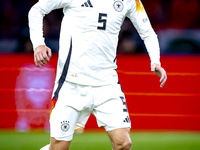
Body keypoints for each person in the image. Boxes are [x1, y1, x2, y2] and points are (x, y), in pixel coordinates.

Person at [28, 0, 167, 149]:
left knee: (123, 143)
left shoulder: (130, 1)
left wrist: (155, 60)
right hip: (71, 84)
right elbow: (36, 10)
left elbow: (147, 32)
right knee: (59, 147)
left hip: (107, 84)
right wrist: (38, 44)